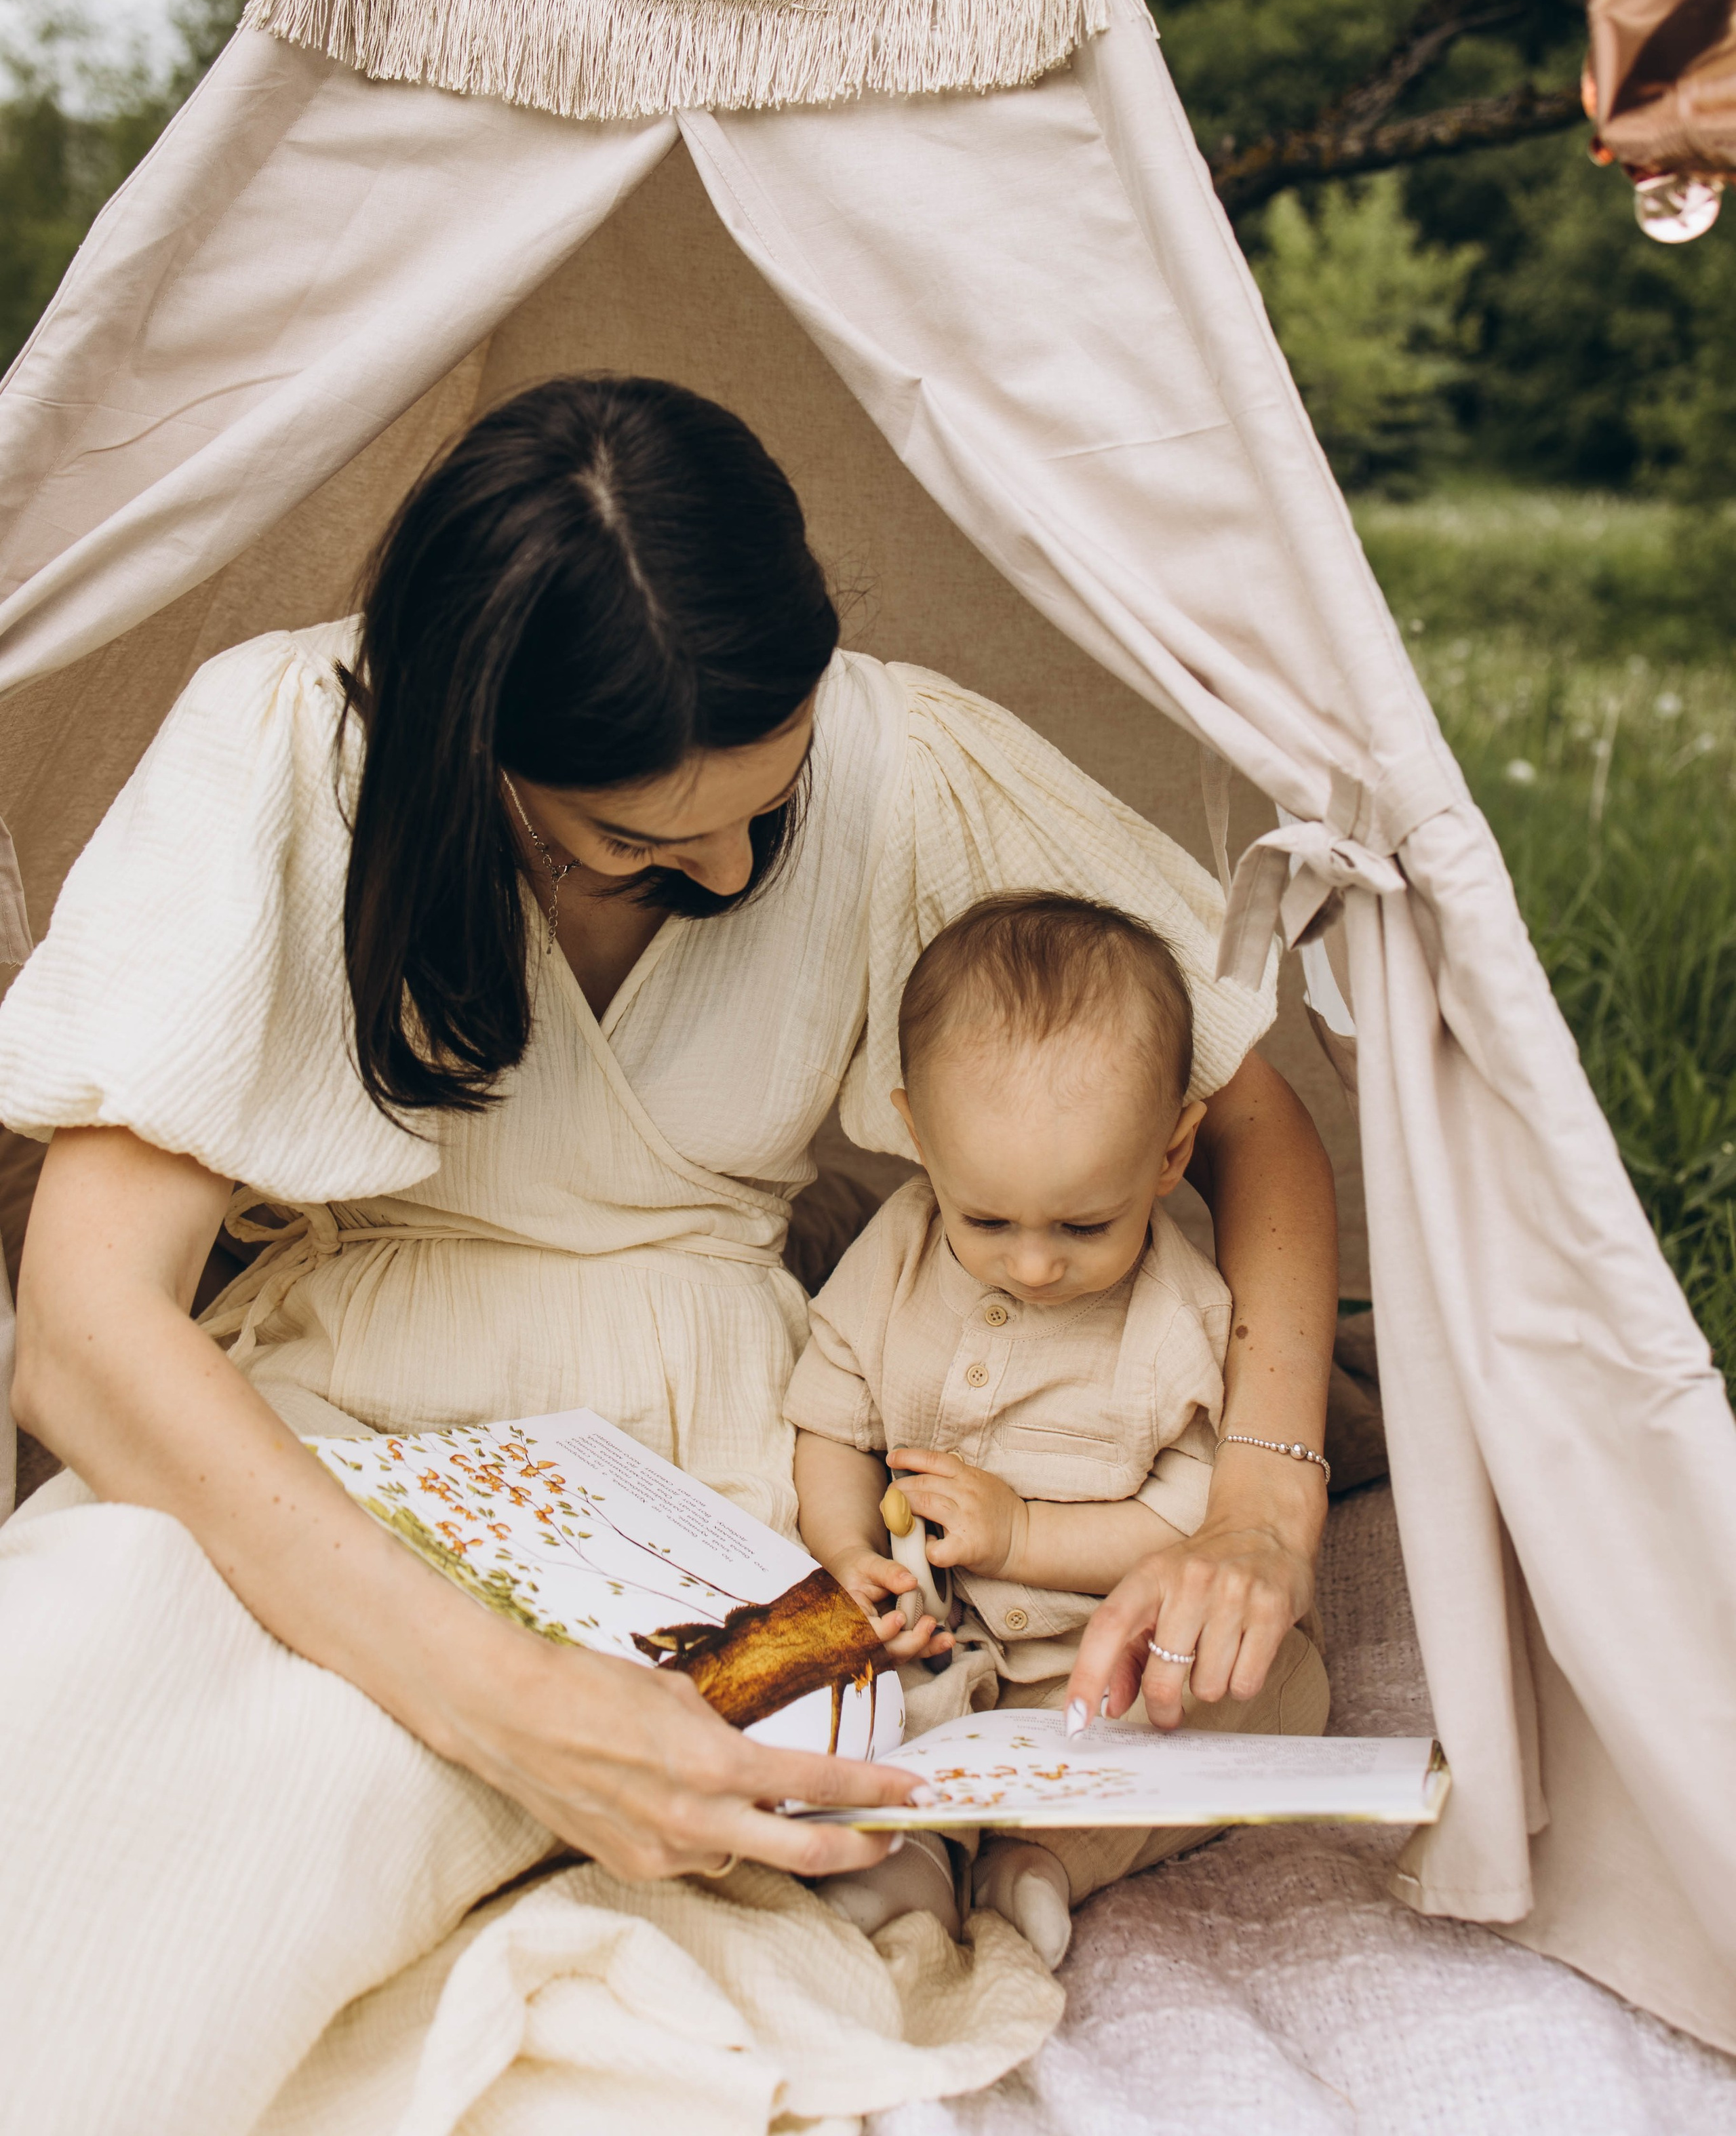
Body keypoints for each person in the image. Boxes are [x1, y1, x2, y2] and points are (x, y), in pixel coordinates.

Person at [0, 375, 1337, 2134]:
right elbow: (86, 1329)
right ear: (472, 747)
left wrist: (1259, 1505)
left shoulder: (893, 756)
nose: (724, 865)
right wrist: (507, 1701)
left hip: (719, 1455)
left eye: (761, 813)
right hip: (334, 1437)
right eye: (640, 842)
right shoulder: (281, 754)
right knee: (101, 1715)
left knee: (867, 1801)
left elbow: (1249, 1115)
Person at [787, 891, 1330, 1969]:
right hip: (924, 1639)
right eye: (986, 1220)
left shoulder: (1181, 1320)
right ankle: (911, 1849)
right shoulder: (897, 1250)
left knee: (1277, 1690)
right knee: (834, 1691)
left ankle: (1047, 1859)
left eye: (1086, 1225)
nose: (1033, 1265)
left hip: (1094, 1657)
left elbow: (1190, 1519)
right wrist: (845, 1552)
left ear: (1172, 1157)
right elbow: (829, 1417)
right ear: (919, 1140)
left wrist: (1025, 1535)